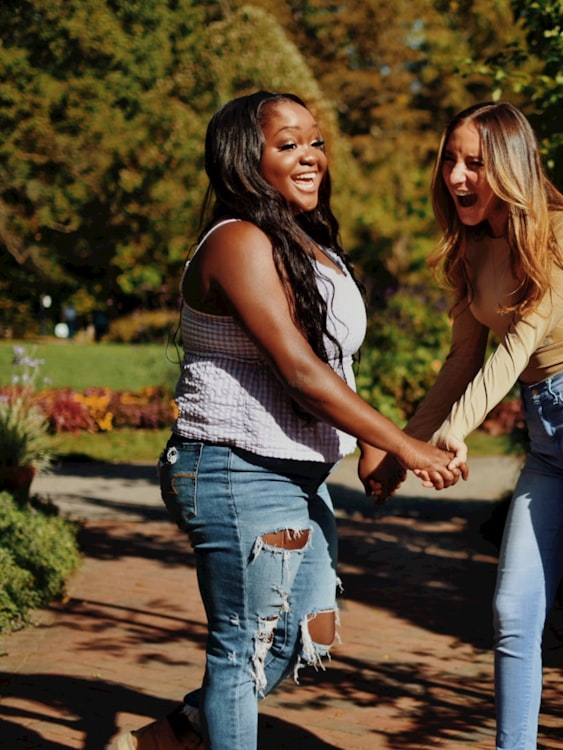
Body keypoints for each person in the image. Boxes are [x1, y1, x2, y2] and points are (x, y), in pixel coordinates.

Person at [110, 91, 466, 750]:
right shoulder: (238, 242)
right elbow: (300, 372)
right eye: (288, 144)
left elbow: (333, 357)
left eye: (315, 142)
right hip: (236, 472)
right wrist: (408, 445)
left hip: (297, 479)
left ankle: (171, 738)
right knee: (242, 652)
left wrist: (366, 442)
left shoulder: (310, 241)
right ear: (248, 159)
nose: (310, 157)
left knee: (312, 632)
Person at [362, 102, 563, 749]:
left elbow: (520, 342)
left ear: (510, 164)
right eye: (450, 160)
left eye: (474, 162)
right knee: (512, 612)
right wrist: (403, 449)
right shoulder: (472, 251)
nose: (455, 175)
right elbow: (461, 362)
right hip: (550, 442)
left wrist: (455, 432)